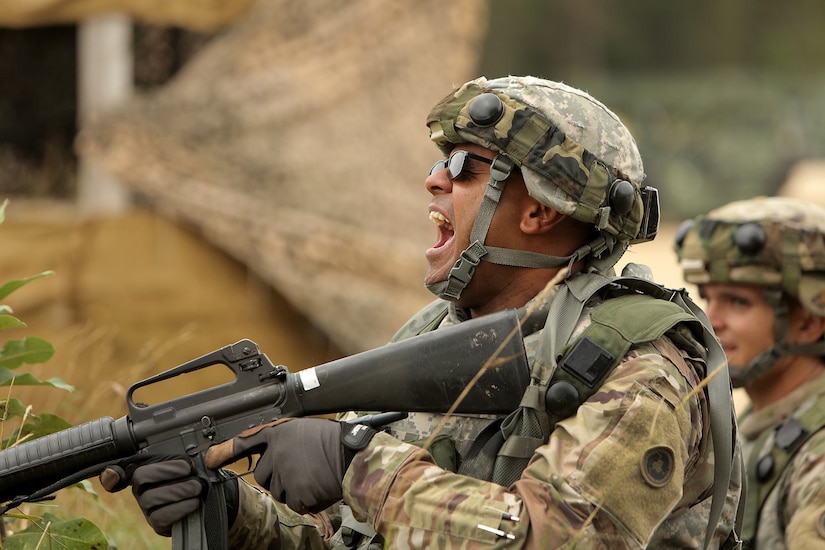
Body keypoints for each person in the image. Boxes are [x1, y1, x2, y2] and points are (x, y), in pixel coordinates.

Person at [104, 76, 743, 548]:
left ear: (541, 209)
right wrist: (230, 512)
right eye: (441, 160)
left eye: (464, 166)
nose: (435, 180)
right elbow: (346, 538)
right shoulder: (434, 339)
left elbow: (556, 540)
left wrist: (354, 461)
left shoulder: (640, 368)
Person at [675, 195, 825, 549]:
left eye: (737, 301)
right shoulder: (765, 421)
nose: (711, 320)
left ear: (808, 324)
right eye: (706, 297)